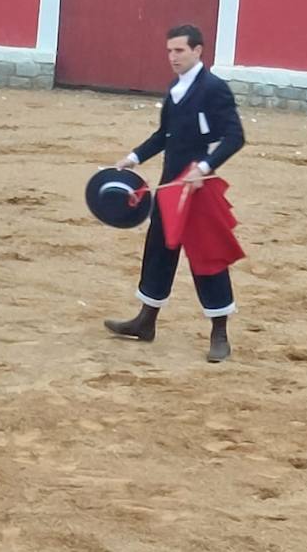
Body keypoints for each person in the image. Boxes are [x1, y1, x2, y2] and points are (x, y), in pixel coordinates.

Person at [104, 22, 244, 360]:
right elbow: (164, 135)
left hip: (197, 189)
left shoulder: (214, 89)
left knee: (207, 258)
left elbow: (235, 136)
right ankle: (146, 321)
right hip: (171, 187)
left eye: (179, 50)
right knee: (158, 253)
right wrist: (134, 158)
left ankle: (220, 334)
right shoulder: (176, 88)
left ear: (198, 51)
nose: (172, 57)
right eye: (169, 51)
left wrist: (204, 168)